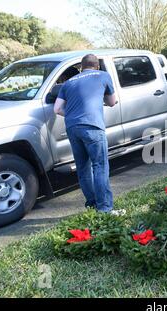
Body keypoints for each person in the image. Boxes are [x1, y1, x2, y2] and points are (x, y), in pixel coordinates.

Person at [53, 54, 120, 214]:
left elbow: (57, 109)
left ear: (81, 68)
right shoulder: (103, 75)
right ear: (97, 66)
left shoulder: (68, 83)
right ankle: (105, 208)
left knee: (83, 168)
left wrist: (72, 114)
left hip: (72, 128)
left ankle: (92, 204)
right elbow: (112, 101)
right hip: (92, 126)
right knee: (100, 166)